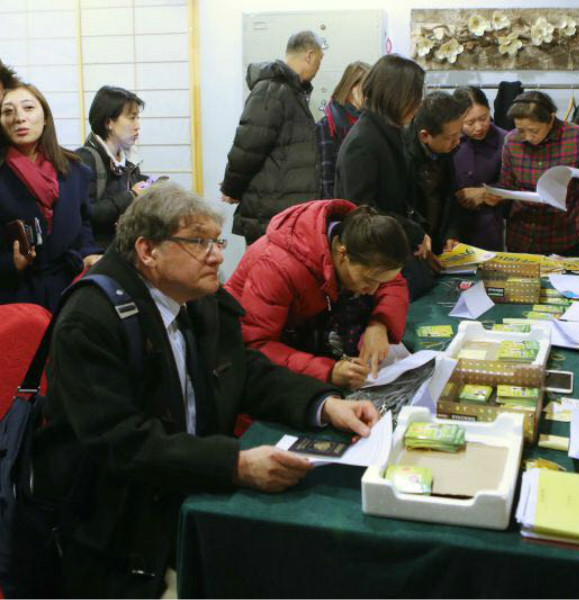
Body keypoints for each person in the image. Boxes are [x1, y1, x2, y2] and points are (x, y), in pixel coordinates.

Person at [32, 183, 379, 597]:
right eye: (199, 242)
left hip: (186, 492)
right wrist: (234, 463)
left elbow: (243, 371)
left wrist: (324, 404)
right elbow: (120, 442)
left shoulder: (196, 294)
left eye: (216, 240)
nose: (218, 254)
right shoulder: (91, 319)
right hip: (119, 532)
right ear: (147, 251)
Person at [226, 200, 410, 390]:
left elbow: (394, 282)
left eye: (380, 282)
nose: (372, 290)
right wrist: (328, 371)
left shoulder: (363, 241)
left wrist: (379, 324)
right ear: (342, 255)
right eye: (369, 280)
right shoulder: (277, 266)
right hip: (248, 354)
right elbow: (256, 344)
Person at [334, 54, 433, 298]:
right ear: (397, 95)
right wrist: (413, 231)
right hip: (372, 259)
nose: (418, 104)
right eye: (415, 96)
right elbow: (361, 211)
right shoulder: (364, 141)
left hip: (389, 249)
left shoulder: (389, 131)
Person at [0, 83, 101, 312]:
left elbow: (83, 228)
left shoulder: (75, 170)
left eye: (28, 108)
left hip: (69, 292)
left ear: (45, 117)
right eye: (8, 111)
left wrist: (89, 255)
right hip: (16, 297)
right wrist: (10, 264)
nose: (19, 118)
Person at [221, 31, 324, 243]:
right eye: (319, 61)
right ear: (310, 55)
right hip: (270, 215)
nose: (318, 69)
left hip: (279, 213)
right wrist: (232, 188)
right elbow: (248, 146)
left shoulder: (289, 91)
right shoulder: (272, 90)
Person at [490, 91, 579, 256]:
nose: (527, 137)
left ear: (551, 119)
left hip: (564, 235)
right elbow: (506, 184)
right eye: (521, 130)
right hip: (522, 235)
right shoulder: (512, 140)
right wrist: (496, 194)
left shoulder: (578, 136)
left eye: (534, 130)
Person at [76, 86, 150, 250]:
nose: (137, 125)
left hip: (125, 249)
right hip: (98, 256)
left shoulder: (126, 157)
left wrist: (151, 184)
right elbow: (85, 214)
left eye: (138, 118)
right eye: (132, 118)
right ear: (109, 122)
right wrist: (132, 195)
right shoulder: (84, 160)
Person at [404, 91, 468, 266]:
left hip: (440, 247)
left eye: (458, 134)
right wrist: (419, 239)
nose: (457, 142)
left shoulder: (446, 150)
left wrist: (451, 234)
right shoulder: (401, 154)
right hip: (414, 249)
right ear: (425, 136)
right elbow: (402, 208)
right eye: (450, 138)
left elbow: (450, 195)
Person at [452, 86, 508, 251]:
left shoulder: (505, 140)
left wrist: (488, 192)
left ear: (489, 110)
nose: (479, 127)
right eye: (469, 122)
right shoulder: (448, 139)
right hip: (451, 227)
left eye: (484, 118)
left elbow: (513, 183)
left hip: (488, 228)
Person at [316, 60, 370, 199]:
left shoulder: (370, 121)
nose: (368, 95)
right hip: (340, 205)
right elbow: (326, 178)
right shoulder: (327, 126)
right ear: (350, 87)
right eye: (365, 88)